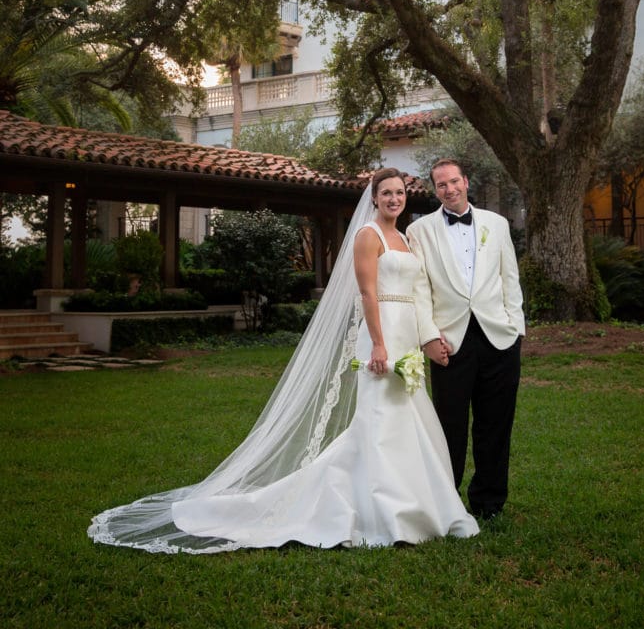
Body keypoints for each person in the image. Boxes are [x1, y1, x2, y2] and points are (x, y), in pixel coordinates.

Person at [88, 168, 478, 552]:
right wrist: (378, 344)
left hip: (407, 335)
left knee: (409, 420)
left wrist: (424, 337)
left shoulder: (405, 238)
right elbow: (368, 294)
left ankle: (418, 507)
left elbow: (417, 291)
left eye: (399, 192)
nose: (394, 199)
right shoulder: (368, 235)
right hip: (382, 336)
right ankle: (385, 514)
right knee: (380, 422)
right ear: (374, 198)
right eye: (386, 193)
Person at [407, 158, 525, 521]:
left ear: (466, 182)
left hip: (499, 337)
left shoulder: (497, 223)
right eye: (441, 185)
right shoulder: (420, 231)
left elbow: (510, 279)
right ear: (435, 189)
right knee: (449, 425)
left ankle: (489, 502)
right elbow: (419, 289)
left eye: (454, 182)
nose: (449, 189)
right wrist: (428, 336)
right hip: (449, 341)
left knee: (495, 423)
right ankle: (446, 499)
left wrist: (516, 326)